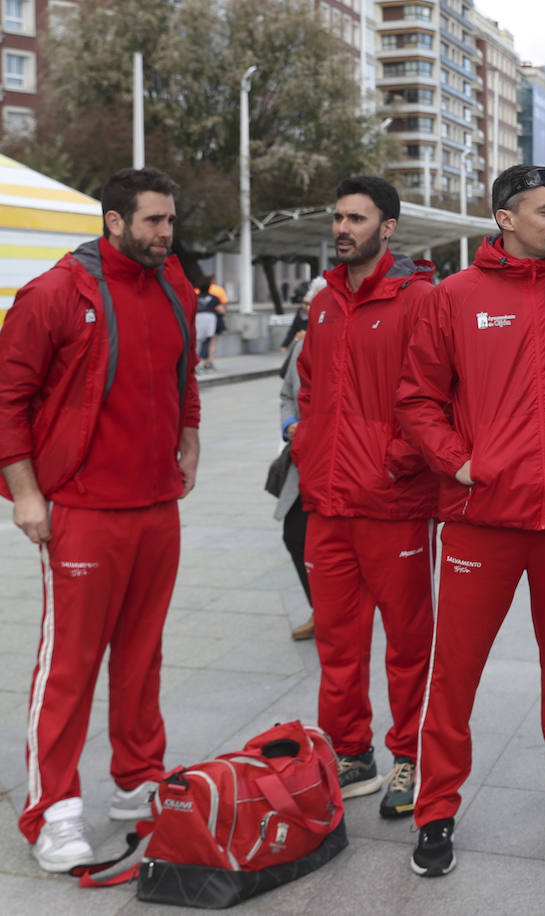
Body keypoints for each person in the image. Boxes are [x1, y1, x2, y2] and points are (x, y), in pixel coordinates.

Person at [395, 164, 545, 878]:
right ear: (505, 218)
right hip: (481, 518)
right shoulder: (453, 299)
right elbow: (416, 399)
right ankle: (436, 809)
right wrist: (458, 462)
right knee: (456, 673)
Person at [0, 167, 200, 871]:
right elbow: (7, 398)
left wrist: (190, 436)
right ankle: (51, 809)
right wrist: (26, 492)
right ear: (113, 221)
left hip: (155, 507)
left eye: (170, 221)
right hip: (82, 508)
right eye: (153, 222)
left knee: (143, 656)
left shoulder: (173, 284)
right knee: (70, 665)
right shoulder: (56, 292)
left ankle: (138, 778)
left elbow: (185, 375)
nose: (165, 233)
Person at [292, 176, 438, 819]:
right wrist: (305, 444)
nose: (342, 227)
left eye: (356, 217)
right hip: (326, 502)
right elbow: (309, 386)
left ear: (388, 228)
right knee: (337, 641)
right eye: (338, 216)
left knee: (409, 642)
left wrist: (396, 462)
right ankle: (352, 753)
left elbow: (441, 396)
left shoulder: (421, 300)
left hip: (392, 502)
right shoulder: (324, 301)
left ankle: (411, 755)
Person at [275, 297, 316, 642]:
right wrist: (289, 423)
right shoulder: (302, 347)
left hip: (344, 460)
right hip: (303, 459)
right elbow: (287, 393)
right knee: (295, 534)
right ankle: (320, 609)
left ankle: (339, 608)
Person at [194, 282, 220, 372]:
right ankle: (202, 360)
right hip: (210, 318)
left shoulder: (195, 297)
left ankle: (196, 360)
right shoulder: (214, 298)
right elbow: (221, 309)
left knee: (196, 340)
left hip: (197, 317)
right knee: (207, 340)